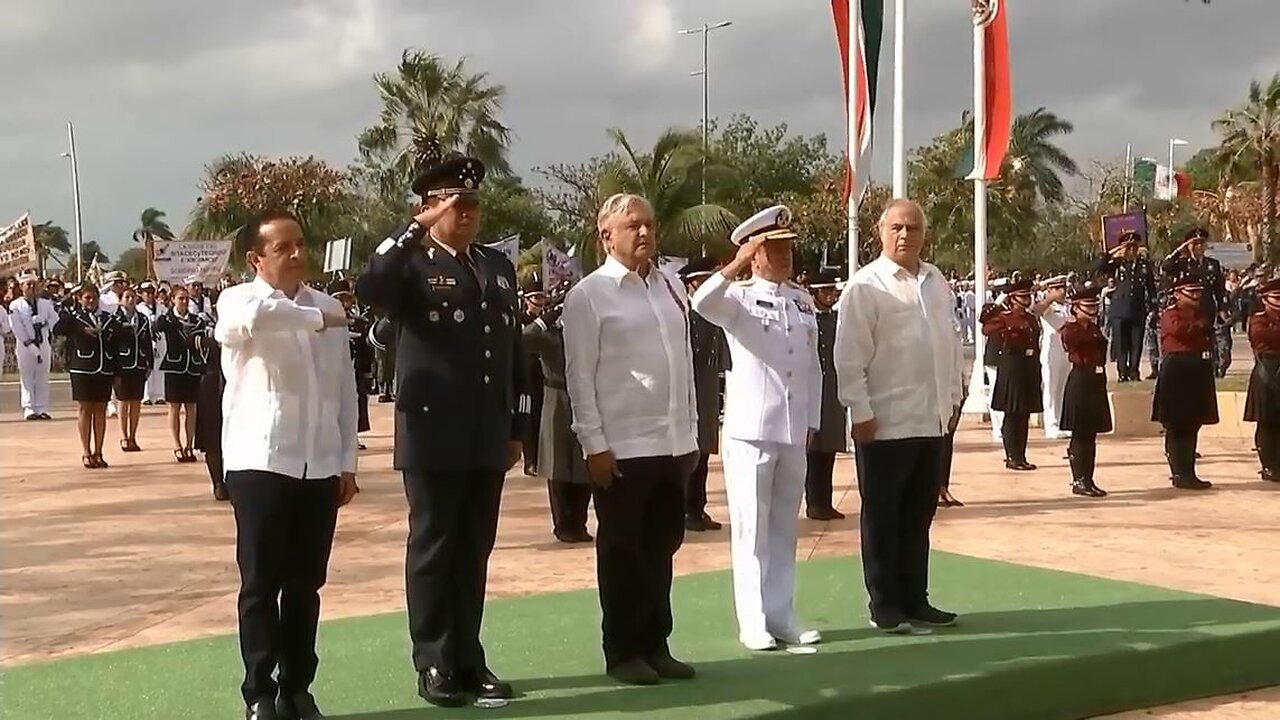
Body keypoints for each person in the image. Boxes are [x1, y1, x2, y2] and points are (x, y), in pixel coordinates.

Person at [356, 141, 527, 708]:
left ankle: (468, 658)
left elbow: (512, 352)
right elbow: (371, 288)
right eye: (456, 204)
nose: (469, 213)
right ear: (429, 208)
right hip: (432, 431)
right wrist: (411, 231)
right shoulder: (412, 265)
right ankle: (433, 660)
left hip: (485, 432)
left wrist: (517, 426)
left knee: (474, 548)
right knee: (434, 547)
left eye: (473, 203)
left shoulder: (497, 267)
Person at [214, 209, 359, 720]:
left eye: (301, 243)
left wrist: (347, 460)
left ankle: (298, 687)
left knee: (304, 586)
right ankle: (259, 693)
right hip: (260, 461)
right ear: (256, 258)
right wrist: (322, 317)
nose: (298, 254)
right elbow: (255, 321)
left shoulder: (327, 306)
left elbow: (345, 389)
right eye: (283, 248)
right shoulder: (237, 300)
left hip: (318, 464)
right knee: (260, 584)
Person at [563, 192, 699, 685]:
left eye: (648, 224)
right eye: (632, 226)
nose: (644, 233)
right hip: (622, 446)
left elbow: (681, 363)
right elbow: (580, 376)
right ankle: (622, 650)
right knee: (622, 551)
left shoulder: (668, 286)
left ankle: (655, 643)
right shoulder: (590, 295)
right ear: (607, 236)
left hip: (670, 441)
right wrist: (593, 443)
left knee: (662, 545)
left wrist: (690, 434)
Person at [691, 204, 823, 652]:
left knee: (784, 528)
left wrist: (811, 421)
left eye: (789, 248)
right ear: (756, 252)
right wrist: (734, 265)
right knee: (751, 530)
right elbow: (701, 302)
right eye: (774, 248)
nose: (785, 256)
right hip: (751, 429)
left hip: (791, 431)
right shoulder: (739, 298)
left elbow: (812, 367)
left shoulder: (802, 301)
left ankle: (782, 613)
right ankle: (753, 620)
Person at [834, 198, 964, 634]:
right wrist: (859, 409)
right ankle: (885, 603)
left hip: (930, 420)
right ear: (880, 231)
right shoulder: (866, 286)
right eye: (896, 228)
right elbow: (849, 357)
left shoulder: (935, 280)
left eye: (913, 228)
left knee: (918, 516)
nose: (905, 235)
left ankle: (916, 598)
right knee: (883, 516)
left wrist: (952, 396)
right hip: (885, 422)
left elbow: (946, 342)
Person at [522, 280, 594, 543]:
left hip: (584, 398)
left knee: (584, 465)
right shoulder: (549, 333)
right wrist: (545, 319)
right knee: (559, 465)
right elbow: (523, 339)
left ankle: (579, 522)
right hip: (556, 399)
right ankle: (564, 524)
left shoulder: (585, 330)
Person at [981, 277, 1061, 470]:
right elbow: (986, 327)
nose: (1026, 300)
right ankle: (1012, 456)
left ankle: (1021, 455)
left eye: (1028, 296)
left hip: (1029, 365)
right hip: (1012, 364)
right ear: (1013, 298)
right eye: (1022, 296)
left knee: (1023, 413)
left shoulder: (1030, 317)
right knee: (1012, 412)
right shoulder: (1005, 316)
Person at [1151, 270, 1218, 490]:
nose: (1196, 296)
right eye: (1191, 292)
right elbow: (1180, 330)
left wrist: (1199, 328)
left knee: (1193, 423)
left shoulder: (1202, 313)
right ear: (1178, 294)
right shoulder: (1171, 313)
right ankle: (1179, 472)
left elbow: (1205, 330)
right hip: (1178, 369)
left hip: (1198, 368)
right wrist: (1199, 328)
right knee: (1177, 424)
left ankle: (1189, 471)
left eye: (1198, 292)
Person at [680, 256, 728, 532]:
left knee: (704, 452)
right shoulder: (685, 313)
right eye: (705, 280)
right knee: (691, 455)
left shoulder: (711, 313)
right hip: (690, 388)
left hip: (707, 388)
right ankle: (687, 510)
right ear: (693, 283)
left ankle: (698, 508)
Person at [54, 282, 118, 468]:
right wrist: (72, 312)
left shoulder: (106, 318)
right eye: (87, 298)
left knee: (100, 410)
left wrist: (115, 369)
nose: (91, 301)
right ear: (80, 299)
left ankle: (99, 451)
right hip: (82, 368)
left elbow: (116, 342)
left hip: (103, 368)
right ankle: (86, 451)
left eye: (94, 297)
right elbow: (58, 329)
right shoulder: (74, 318)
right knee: (85, 409)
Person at [1059, 283, 1112, 497]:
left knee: (1090, 434)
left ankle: (1088, 478)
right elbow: (1072, 343)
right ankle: (1079, 479)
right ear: (1075, 308)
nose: (1092, 310)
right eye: (1087, 306)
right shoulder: (1071, 329)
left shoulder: (1094, 328)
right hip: (1081, 378)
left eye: (1094, 306)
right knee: (1080, 433)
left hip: (1096, 380)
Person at [804, 269, 848, 520]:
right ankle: (814, 502)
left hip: (832, 388)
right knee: (812, 449)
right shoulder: (809, 318)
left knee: (829, 446)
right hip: (812, 387)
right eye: (825, 291)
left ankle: (825, 501)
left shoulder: (836, 319)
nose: (831, 295)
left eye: (832, 291)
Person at [154, 284, 209, 463]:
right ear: (172, 300)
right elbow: (155, 328)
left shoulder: (197, 320)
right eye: (180, 298)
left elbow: (203, 338)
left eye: (186, 298)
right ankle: (177, 445)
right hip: (174, 366)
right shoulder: (167, 319)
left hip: (192, 366)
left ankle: (189, 445)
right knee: (174, 407)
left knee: (192, 407)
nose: (184, 302)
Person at [1161, 227, 1228, 366]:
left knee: (1207, 336)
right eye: (1194, 244)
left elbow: (1219, 288)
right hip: (1187, 307)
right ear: (1189, 246)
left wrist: (1222, 307)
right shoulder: (1182, 263)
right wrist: (1180, 250)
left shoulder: (1212, 264)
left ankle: (1212, 364)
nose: (1198, 247)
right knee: (1190, 334)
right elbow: (1166, 266)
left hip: (1206, 305)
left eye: (1201, 243)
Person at [1094, 233, 1155, 382]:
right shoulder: (1116, 264)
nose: (1131, 250)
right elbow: (1099, 266)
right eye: (1128, 247)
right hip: (1119, 310)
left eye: (1134, 247)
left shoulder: (1144, 265)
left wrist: (1153, 307)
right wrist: (1116, 251)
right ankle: (1122, 372)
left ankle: (1134, 371)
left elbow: (1151, 287)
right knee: (1121, 344)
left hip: (1137, 309)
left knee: (1136, 343)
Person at [328, 278, 373, 449]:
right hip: (332, 370)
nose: (343, 303)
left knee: (355, 404)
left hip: (354, 370)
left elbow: (365, 350)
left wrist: (368, 374)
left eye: (346, 298)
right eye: (339, 298)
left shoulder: (359, 322)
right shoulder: (324, 321)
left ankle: (353, 437)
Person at [1243, 278, 1280, 482]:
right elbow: (1263, 337)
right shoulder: (1258, 319)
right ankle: (1268, 465)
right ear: (1265, 299)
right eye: (1276, 297)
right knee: (1266, 422)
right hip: (1267, 370)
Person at [9, 271, 58, 420]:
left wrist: (44, 322)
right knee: (27, 377)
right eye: (28, 284)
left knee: (42, 376)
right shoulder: (16, 305)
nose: (31, 287)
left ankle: (41, 407)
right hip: (26, 346)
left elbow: (55, 319)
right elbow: (16, 326)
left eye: (34, 284)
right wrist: (29, 343)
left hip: (43, 343)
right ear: (21, 287)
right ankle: (29, 408)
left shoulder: (45, 303)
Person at [111, 285, 154, 452]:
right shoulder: (115, 319)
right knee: (123, 401)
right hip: (122, 364)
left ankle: (133, 436)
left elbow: (147, 341)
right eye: (126, 297)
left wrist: (149, 362)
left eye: (132, 297)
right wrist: (114, 368)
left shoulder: (142, 319)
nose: (130, 300)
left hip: (139, 363)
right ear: (120, 300)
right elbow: (112, 344)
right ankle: (123, 436)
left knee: (136, 401)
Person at [518, 275, 549, 476]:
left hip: (544, 373)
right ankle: (530, 460)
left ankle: (544, 457)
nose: (539, 303)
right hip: (526, 374)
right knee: (530, 416)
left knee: (545, 416)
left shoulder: (549, 320)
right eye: (535, 298)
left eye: (542, 297)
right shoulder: (520, 319)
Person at [1038, 275, 1072, 440]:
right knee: (1051, 389)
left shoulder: (1068, 306)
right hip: (1051, 352)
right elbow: (1036, 311)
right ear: (1050, 290)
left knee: (1063, 388)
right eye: (1058, 288)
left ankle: (1061, 423)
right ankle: (1051, 425)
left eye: (1063, 288)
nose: (1062, 292)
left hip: (1066, 352)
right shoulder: (1046, 306)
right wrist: (1049, 298)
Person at [138, 280, 168, 405]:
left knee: (160, 368)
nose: (149, 295)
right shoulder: (138, 308)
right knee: (147, 367)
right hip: (146, 341)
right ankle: (146, 395)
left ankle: (159, 394)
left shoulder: (162, 308)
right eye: (146, 293)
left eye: (151, 292)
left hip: (160, 340)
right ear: (141, 294)